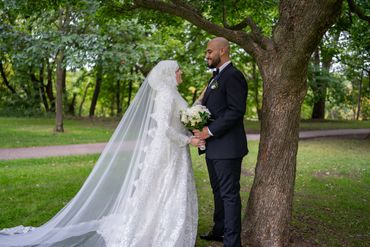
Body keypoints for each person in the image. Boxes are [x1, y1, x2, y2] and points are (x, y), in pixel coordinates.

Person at [0, 60, 201, 247]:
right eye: (178, 70)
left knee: (165, 189)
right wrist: (187, 139)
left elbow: (182, 116)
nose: (181, 72)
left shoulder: (173, 93)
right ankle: (157, 230)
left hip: (174, 151)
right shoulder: (166, 94)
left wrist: (198, 110)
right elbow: (164, 128)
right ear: (169, 75)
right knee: (162, 189)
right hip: (168, 150)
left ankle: (164, 225)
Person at [194, 37, 248, 247]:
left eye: (209, 51)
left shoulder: (233, 76)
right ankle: (219, 231)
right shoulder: (215, 78)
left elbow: (236, 111)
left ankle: (232, 243)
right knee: (218, 192)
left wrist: (209, 130)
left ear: (223, 51)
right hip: (214, 148)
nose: (206, 55)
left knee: (229, 195)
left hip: (228, 148)